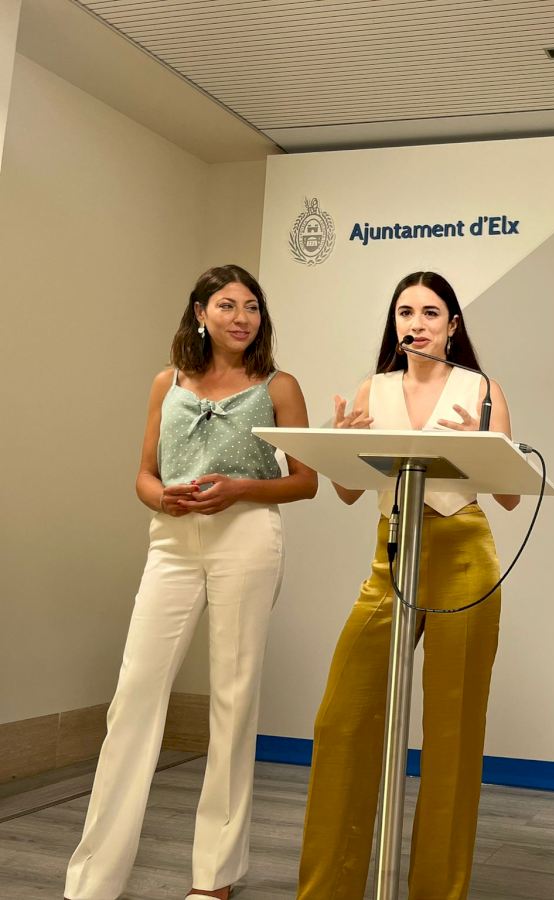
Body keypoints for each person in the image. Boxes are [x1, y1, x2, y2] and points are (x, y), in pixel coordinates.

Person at [65, 265, 317, 900]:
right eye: (227, 305)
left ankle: (215, 876)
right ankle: (92, 879)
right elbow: (144, 473)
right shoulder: (167, 382)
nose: (242, 317)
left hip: (248, 537)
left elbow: (306, 480)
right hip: (172, 541)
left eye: (252, 306)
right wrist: (162, 499)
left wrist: (240, 489)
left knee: (233, 699)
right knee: (133, 697)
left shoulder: (279, 386)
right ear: (200, 313)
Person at [296, 271, 519, 900]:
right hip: (391, 553)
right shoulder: (374, 388)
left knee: (453, 734)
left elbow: (508, 496)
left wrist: (485, 447)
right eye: (404, 312)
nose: (415, 324)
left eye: (429, 312)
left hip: (463, 555)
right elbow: (348, 492)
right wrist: (344, 447)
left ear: (452, 326)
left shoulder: (482, 390)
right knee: (341, 721)